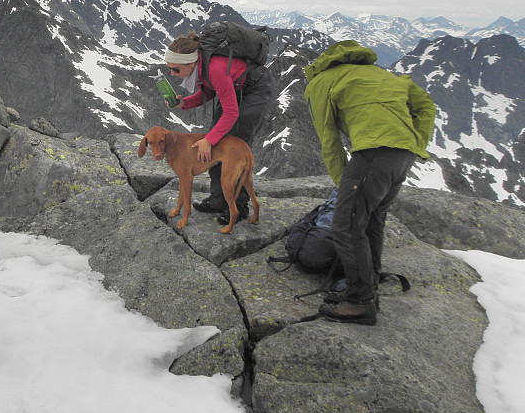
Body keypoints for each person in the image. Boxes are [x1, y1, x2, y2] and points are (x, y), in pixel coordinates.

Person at [304, 40, 435, 325]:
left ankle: (359, 301)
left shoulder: (320, 82)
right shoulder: (381, 74)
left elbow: (329, 140)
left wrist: (343, 188)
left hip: (374, 154)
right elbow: (425, 105)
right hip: (404, 156)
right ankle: (369, 284)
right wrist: (416, 142)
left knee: (346, 225)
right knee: (372, 220)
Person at [164, 31, 274, 225]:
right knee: (214, 147)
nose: (172, 74)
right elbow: (207, 92)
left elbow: (231, 113)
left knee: (232, 146)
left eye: (175, 69)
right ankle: (218, 200)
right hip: (235, 88)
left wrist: (208, 140)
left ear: (190, 64)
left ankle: (239, 209)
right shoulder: (200, 66)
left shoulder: (214, 69)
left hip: (255, 90)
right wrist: (183, 103)